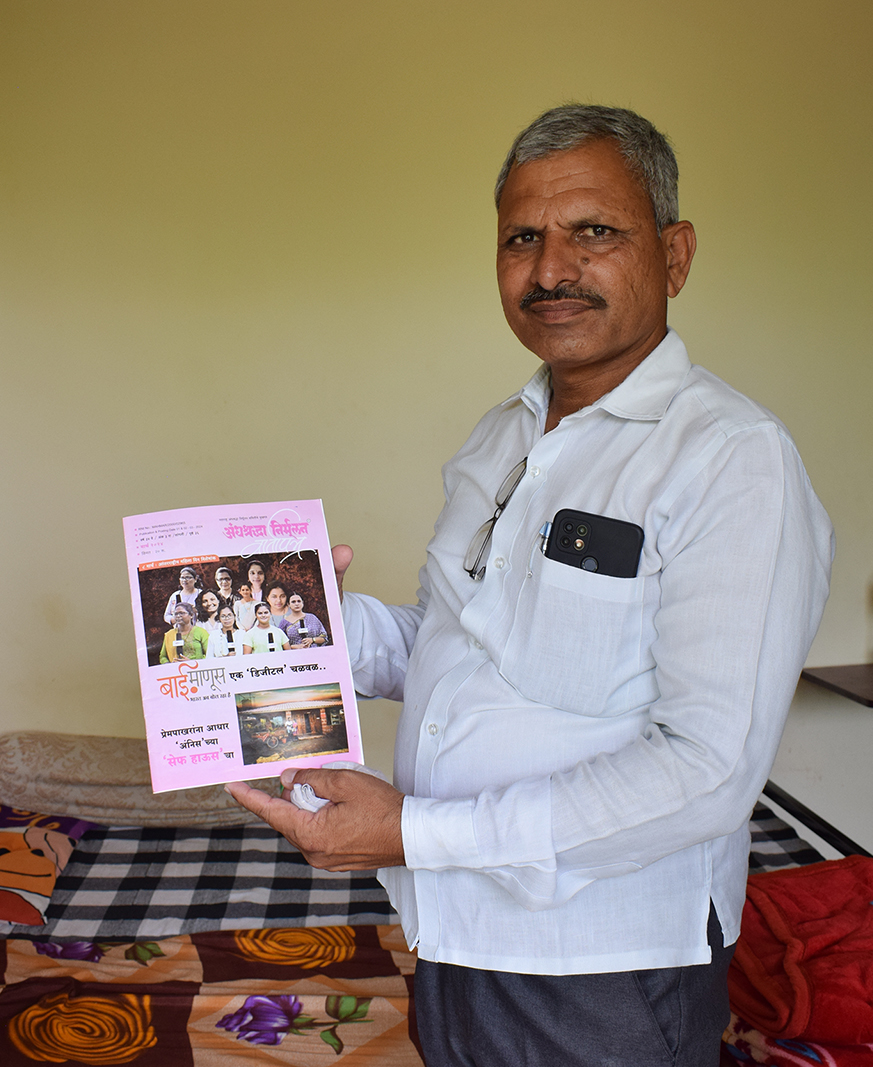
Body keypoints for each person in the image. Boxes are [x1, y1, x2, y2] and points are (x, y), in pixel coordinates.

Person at [228, 105, 832, 1067]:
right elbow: (454, 636)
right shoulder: (498, 437)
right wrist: (310, 629)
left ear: (674, 256)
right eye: (522, 239)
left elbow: (706, 771)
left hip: (599, 965)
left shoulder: (731, 459)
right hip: (455, 928)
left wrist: (414, 832)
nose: (551, 268)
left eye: (594, 231)